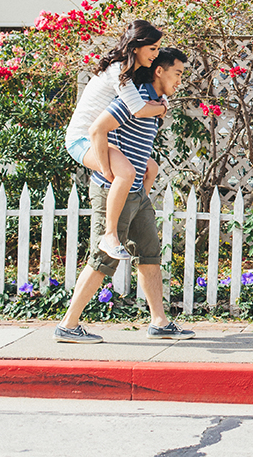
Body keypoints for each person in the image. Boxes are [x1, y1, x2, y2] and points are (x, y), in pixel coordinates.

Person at [54, 44, 194, 343]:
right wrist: (108, 171)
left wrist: (143, 183)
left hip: (135, 192)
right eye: (178, 73)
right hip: (112, 190)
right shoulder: (136, 99)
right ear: (160, 71)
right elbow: (99, 129)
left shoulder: (153, 102)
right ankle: (68, 325)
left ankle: (159, 322)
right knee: (102, 260)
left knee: (149, 255)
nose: (180, 80)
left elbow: (138, 147)